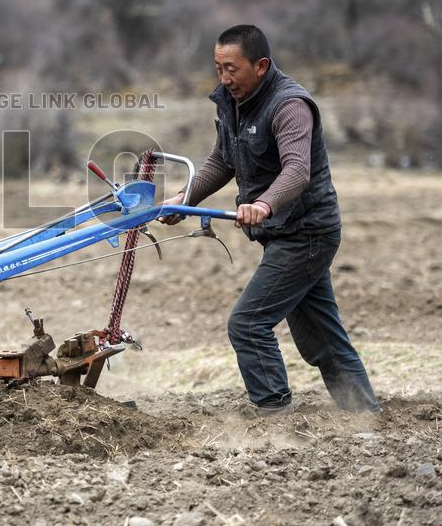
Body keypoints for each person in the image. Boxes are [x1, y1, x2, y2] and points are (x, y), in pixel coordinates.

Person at [159, 25, 380, 415]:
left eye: (232, 69)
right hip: (283, 233)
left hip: (306, 232)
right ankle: (363, 412)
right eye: (217, 68)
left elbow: (297, 170)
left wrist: (263, 204)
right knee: (321, 337)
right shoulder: (231, 101)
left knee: (247, 324)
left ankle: (274, 413)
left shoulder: (289, 105)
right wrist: (184, 198)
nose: (224, 78)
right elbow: (222, 160)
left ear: (261, 66)